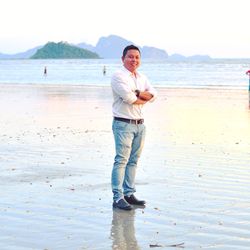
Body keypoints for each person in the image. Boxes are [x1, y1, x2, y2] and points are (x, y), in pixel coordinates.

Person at [111, 45, 157, 210]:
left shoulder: (142, 77)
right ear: (123, 59)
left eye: (137, 57)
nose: (134, 60)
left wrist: (138, 93)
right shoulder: (118, 76)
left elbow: (153, 95)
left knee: (133, 161)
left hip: (140, 124)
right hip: (123, 124)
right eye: (130, 57)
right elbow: (130, 99)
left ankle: (129, 194)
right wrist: (141, 95)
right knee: (121, 160)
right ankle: (118, 197)